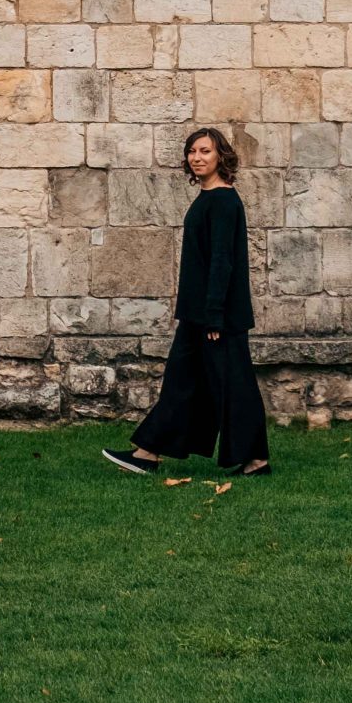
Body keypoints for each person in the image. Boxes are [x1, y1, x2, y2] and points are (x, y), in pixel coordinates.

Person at [103, 125, 271, 478]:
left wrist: (213, 317)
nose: (197, 158)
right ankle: (148, 452)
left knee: (230, 385)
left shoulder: (223, 200)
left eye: (205, 151)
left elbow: (222, 262)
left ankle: (253, 459)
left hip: (215, 317)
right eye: (193, 152)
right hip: (201, 314)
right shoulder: (210, 197)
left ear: (220, 156)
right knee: (189, 383)